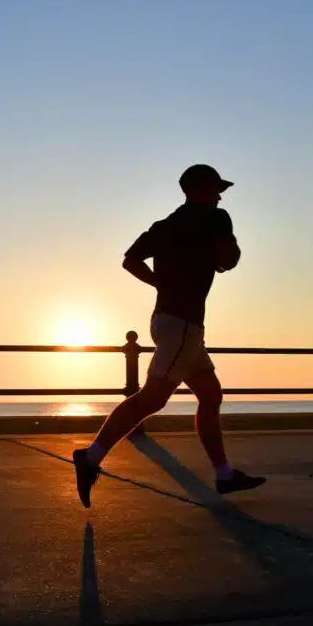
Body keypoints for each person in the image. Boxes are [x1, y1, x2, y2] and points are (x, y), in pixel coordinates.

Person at [72, 164, 266, 507]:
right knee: (152, 399)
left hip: (170, 321)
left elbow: (130, 260)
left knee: (210, 394)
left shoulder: (164, 226)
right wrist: (228, 252)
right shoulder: (217, 217)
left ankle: (224, 474)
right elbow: (228, 259)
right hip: (182, 326)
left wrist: (159, 283)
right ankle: (90, 458)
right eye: (217, 188)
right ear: (203, 191)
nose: (221, 195)